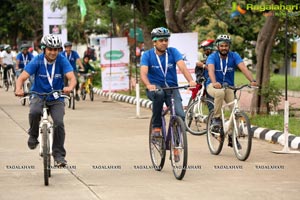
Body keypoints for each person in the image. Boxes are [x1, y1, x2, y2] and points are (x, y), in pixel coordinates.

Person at [15, 34, 76, 167]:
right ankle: (33, 135)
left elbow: (72, 77)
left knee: (59, 123)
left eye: (56, 49)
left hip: (56, 97)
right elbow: (22, 77)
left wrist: (70, 87)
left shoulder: (62, 59)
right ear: (44, 49)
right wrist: (18, 89)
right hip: (38, 94)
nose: (53, 52)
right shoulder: (37, 60)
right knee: (34, 112)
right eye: (50, 49)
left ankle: (59, 155)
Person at [140, 27, 196, 139]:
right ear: (154, 42)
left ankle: (176, 145)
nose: (164, 43)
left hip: (171, 88)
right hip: (155, 88)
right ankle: (156, 127)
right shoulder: (147, 55)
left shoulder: (173, 52)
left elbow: (183, 68)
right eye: (161, 40)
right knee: (159, 94)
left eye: (166, 40)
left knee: (180, 115)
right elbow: (143, 73)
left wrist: (190, 80)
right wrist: (148, 85)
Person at [206, 34, 257, 147]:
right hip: (213, 86)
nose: (224, 48)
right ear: (218, 46)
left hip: (228, 87)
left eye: (226, 45)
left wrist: (252, 80)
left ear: (229, 46)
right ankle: (217, 118)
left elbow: (243, 68)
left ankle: (231, 136)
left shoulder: (234, 56)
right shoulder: (212, 57)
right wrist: (214, 82)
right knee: (219, 93)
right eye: (222, 45)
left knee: (236, 111)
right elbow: (211, 71)